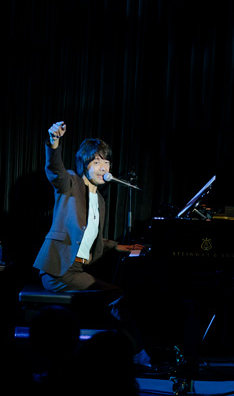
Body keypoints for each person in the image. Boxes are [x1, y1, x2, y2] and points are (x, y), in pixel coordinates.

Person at [32, 120, 152, 368]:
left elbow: (93, 239)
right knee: (116, 295)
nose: (103, 167)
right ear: (84, 165)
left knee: (118, 296)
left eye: (106, 162)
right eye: (96, 162)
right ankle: (137, 354)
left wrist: (119, 246)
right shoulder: (71, 182)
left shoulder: (100, 201)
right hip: (58, 270)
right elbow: (54, 169)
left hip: (77, 269)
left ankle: (123, 353)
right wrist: (54, 142)